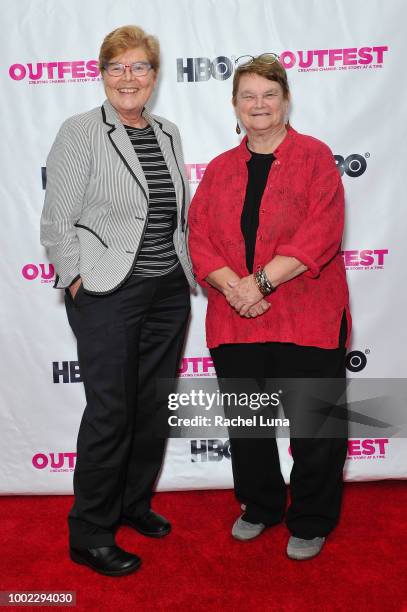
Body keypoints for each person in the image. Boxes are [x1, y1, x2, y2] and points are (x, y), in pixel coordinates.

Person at [40, 25, 194, 576]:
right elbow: (58, 219)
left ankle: (132, 505)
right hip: (109, 291)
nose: (129, 78)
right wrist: (77, 278)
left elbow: (174, 211)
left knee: (152, 405)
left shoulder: (168, 132)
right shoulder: (80, 131)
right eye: (117, 67)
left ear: (154, 76)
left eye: (139, 67)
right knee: (112, 411)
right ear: (101, 73)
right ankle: (90, 532)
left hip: (169, 290)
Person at [188, 54, 351, 560]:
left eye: (269, 94)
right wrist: (235, 289)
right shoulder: (218, 169)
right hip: (235, 322)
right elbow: (199, 237)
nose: (259, 105)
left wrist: (257, 284)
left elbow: (321, 232)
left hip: (308, 317)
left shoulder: (315, 157)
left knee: (315, 428)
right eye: (248, 96)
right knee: (249, 427)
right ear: (234, 105)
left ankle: (311, 518)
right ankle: (259, 506)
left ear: (285, 100)